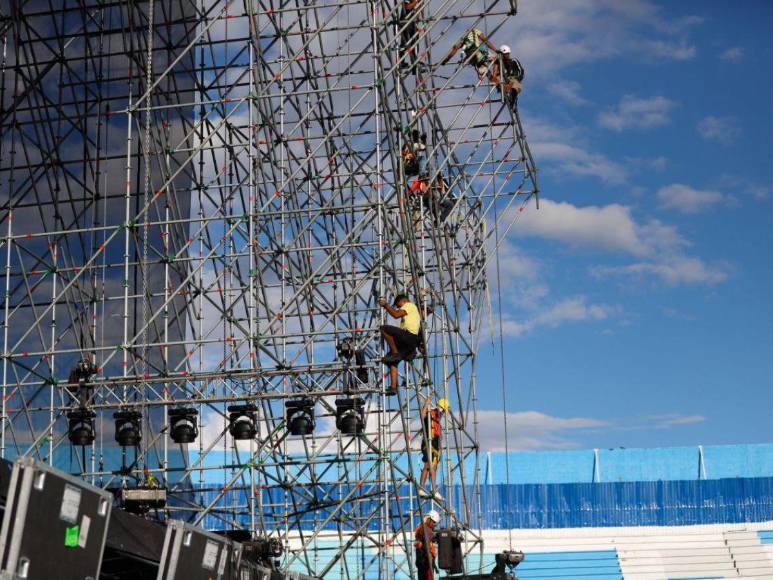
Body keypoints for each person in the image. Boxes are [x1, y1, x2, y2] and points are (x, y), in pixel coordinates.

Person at [378, 294, 422, 392]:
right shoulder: (412, 313)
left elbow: (396, 315)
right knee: (391, 361)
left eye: (398, 305)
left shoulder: (409, 305)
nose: (398, 308)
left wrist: (385, 305)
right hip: (409, 341)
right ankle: (393, 387)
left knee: (383, 328)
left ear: (403, 301)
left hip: (409, 336)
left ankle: (395, 352)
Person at [419, 397, 449, 499]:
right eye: (443, 411)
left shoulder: (437, 419)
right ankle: (421, 488)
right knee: (428, 464)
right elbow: (422, 416)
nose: (443, 413)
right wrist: (426, 404)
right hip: (428, 442)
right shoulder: (430, 413)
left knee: (434, 467)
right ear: (440, 408)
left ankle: (433, 489)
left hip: (435, 444)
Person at [494, 44, 524, 109]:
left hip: (515, 79)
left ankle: (512, 101)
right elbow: (497, 73)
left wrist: (517, 78)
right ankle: (507, 94)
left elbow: (521, 71)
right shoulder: (501, 64)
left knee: (514, 85)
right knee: (499, 84)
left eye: (508, 54)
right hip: (506, 81)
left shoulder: (513, 61)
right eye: (505, 54)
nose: (507, 55)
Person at [415, 509, 440, 580]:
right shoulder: (426, 529)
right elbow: (426, 546)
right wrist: (430, 560)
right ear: (429, 519)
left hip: (422, 561)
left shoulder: (422, 527)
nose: (434, 524)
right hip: (425, 562)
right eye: (434, 522)